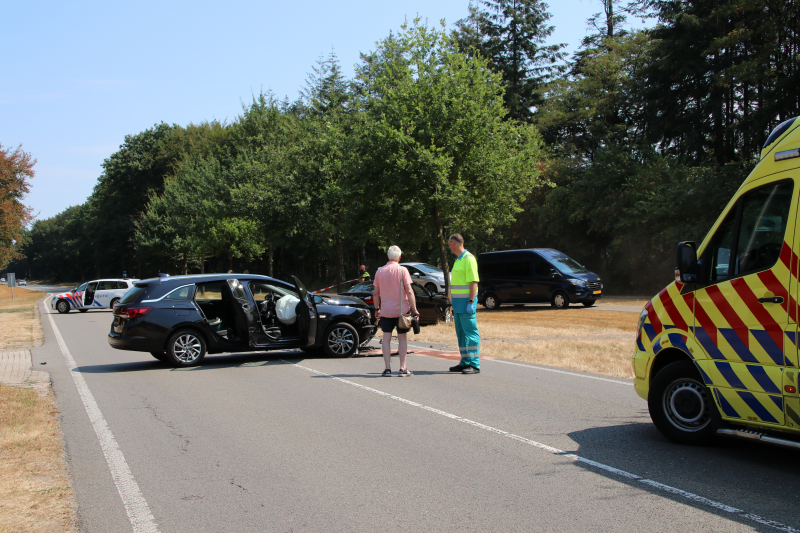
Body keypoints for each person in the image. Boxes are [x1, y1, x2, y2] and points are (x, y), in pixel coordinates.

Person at [373, 246, 420, 376]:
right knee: (402, 338)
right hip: (401, 311)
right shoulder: (403, 270)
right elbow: (409, 292)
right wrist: (414, 310)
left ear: (388, 256)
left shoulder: (379, 272)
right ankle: (402, 368)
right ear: (399, 257)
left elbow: (376, 294)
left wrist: (377, 309)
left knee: (386, 338)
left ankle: (387, 368)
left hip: (386, 311)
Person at [447, 234, 481, 374]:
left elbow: (474, 282)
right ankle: (465, 361)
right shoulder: (457, 260)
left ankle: (474, 364)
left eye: (449, 243)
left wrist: (471, 302)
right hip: (458, 304)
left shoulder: (469, 259)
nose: (448, 246)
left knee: (471, 333)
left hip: (466, 303)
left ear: (454, 243)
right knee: (461, 334)